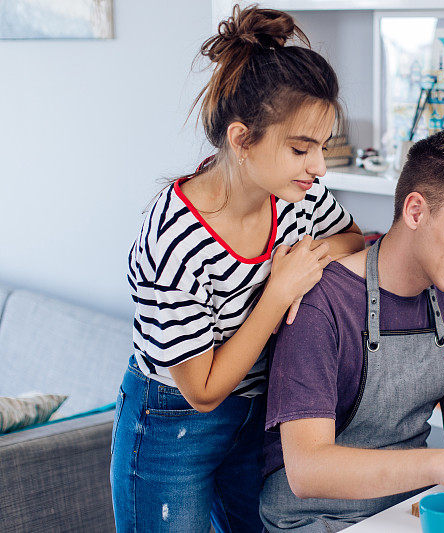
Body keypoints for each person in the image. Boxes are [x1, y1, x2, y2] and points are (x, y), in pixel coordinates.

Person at [110, 6, 364, 532]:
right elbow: (202, 390)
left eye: (322, 147)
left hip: (261, 411)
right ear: (241, 138)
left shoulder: (299, 197)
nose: (319, 168)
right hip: (173, 424)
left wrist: (308, 261)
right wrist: (280, 290)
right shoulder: (173, 238)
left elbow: (351, 238)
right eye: (301, 148)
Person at [260, 129, 444, 533]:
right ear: (415, 211)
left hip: (407, 507)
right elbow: (308, 469)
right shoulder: (322, 302)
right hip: (317, 519)